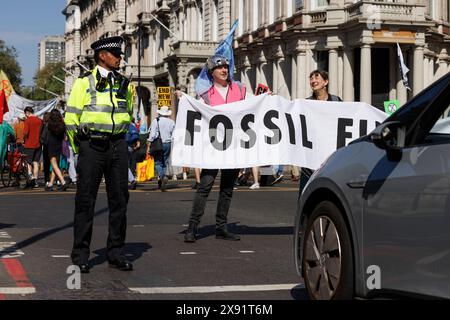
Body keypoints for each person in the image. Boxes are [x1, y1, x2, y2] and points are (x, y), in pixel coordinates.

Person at [64, 36, 134, 273]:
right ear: (102, 56)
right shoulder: (83, 83)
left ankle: (116, 252)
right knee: (85, 200)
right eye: (116, 54)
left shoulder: (125, 84)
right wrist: (79, 148)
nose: (120, 58)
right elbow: (71, 119)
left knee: (120, 201)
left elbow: (129, 113)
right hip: (91, 147)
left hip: (118, 145)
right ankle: (81, 254)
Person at [184, 54, 247, 243]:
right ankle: (192, 227)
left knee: (227, 189)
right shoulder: (206, 96)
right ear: (212, 73)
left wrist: (266, 98)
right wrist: (184, 99)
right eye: (219, 68)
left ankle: (221, 227)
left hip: (233, 146)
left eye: (226, 67)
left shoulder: (240, 90)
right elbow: (198, 117)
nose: (224, 70)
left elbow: (252, 108)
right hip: (213, 147)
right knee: (205, 186)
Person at [301, 69, 342, 191]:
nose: (313, 81)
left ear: (325, 82)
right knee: (306, 192)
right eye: (311, 78)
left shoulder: (336, 101)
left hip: (331, 155)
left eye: (316, 78)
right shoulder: (307, 103)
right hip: (310, 156)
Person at [146, 105, 175, 192]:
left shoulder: (156, 121)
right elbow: (174, 134)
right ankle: (161, 179)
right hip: (168, 143)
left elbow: (152, 133)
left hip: (158, 144)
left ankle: (162, 177)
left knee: (158, 162)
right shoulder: (172, 122)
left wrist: (149, 142)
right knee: (164, 162)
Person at [45, 109, 68, 191]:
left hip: (51, 145)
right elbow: (65, 137)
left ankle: (63, 181)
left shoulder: (49, 124)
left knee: (54, 164)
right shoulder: (62, 124)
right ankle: (50, 183)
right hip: (59, 145)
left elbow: (46, 136)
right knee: (55, 165)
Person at [23, 107, 42, 188]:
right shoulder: (39, 120)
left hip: (29, 144)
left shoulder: (27, 121)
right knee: (36, 162)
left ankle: (30, 177)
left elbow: (25, 133)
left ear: (27, 112)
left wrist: (24, 140)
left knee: (28, 162)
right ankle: (36, 181)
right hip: (38, 144)